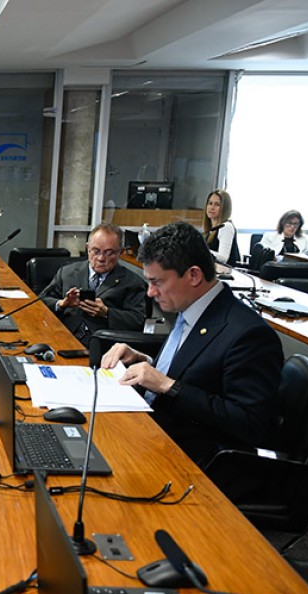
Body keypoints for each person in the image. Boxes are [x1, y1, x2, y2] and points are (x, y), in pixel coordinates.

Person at [100, 221, 282, 467]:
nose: (150, 292)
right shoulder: (190, 308)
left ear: (193, 275)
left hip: (186, 457)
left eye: (157, 282)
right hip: (151, 429)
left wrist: (168, 386)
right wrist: (144, 360)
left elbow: (249, 423)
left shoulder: (249, 335)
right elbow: (191, 367)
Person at [40, 223, 147, 346]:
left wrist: (107, 313)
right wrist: (61, 304)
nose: (101, 258)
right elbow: (40, 302)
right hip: (63, 338)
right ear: (87, 248)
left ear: (121, 252)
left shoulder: (132, 282)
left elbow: (138, 321)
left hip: (103, 345)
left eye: (109, 253)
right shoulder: (67, 273)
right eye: (96, 251)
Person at [201, 189, 238, 266]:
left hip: (226, 271)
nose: (212, 207)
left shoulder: (226, 227)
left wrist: (201, 250)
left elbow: (223, 258)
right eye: (210, 203)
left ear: (225, 208)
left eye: (217, 204)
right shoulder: (211, 230)